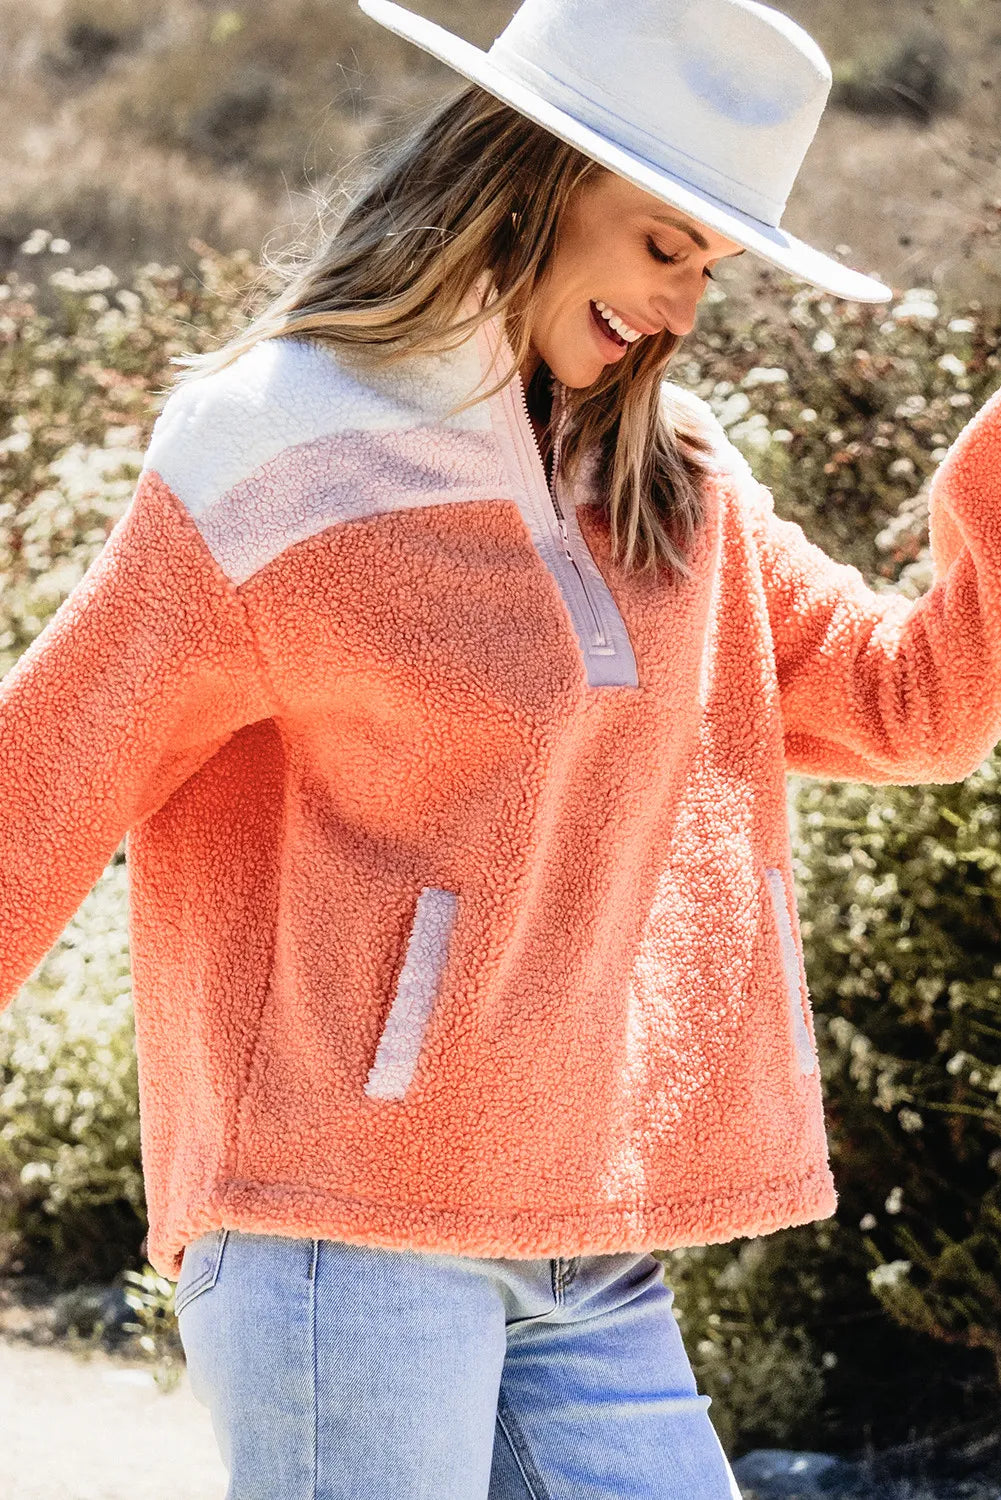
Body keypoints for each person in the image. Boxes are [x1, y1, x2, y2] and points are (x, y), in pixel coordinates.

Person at [1, 0, 999, 1495]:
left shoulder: (672, 473)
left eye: (709, 271)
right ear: (530, 173)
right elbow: (42, 782)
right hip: (338, 1229)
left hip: (587, 1234)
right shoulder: (272, 450)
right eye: (663, 246)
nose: (680, 310)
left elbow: (911, 704)